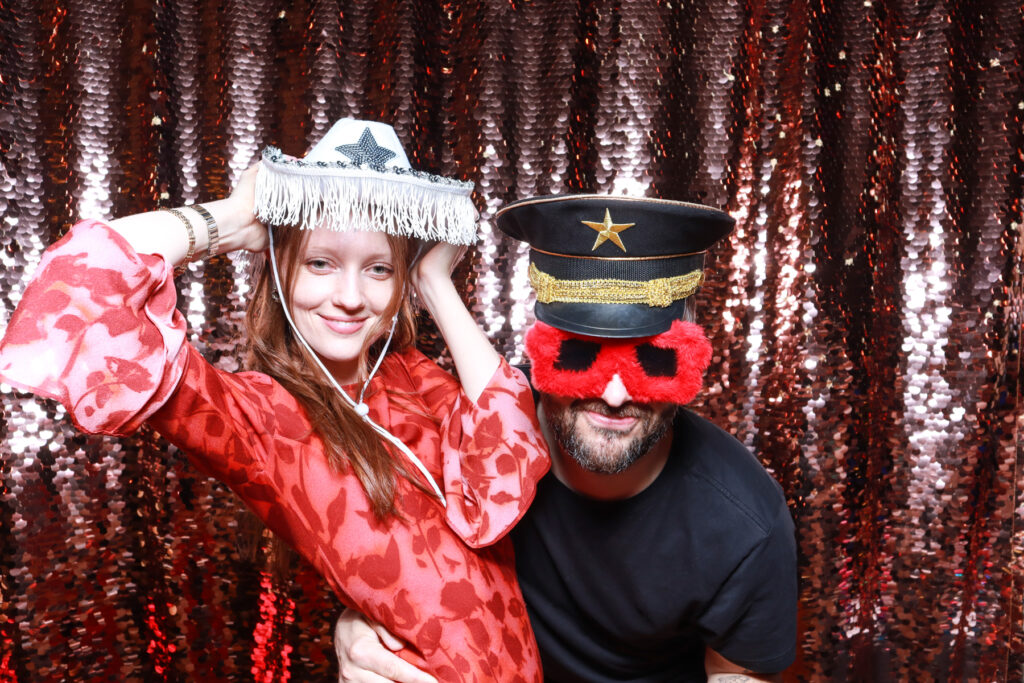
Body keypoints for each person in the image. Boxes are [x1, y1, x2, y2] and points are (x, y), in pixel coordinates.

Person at [0, 119, 551, 682]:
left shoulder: (410, 374)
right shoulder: (259, 419)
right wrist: (235, 220)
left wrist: (433, 281)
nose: (351, 297)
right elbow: (72, 295)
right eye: (320, 262)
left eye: (379, 268)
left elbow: (505, 476)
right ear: (281, 265)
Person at [334, 194, 798, 682]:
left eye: (651, 361)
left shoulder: (745, 522)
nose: (615, 395)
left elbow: (737, 676)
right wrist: (357, 630)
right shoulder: (464, 438)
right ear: (541, 349)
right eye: (580, 356)